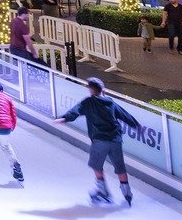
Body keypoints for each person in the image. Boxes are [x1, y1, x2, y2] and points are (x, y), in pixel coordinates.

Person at [55, 77, 141, 206]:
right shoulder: (110, 102)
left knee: (96, 166)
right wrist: (136, 125)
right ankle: (127, 193)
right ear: (103, 89)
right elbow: (124, 115)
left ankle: (103, 192)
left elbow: (75, 111)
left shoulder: (89, 102)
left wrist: (64, 119)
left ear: (90, 89)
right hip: (115, 139)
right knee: (120, 167)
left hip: (100, 140)